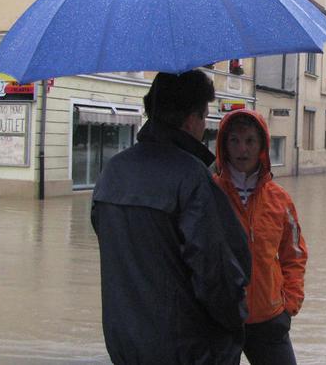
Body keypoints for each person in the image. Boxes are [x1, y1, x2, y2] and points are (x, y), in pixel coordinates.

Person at [91, 71, 251, 364]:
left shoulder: (112, 172)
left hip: (125, 345)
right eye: (204, 117)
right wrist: (236, 322)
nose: (204, 127)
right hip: (188, 351)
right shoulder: (192, 177)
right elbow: (217, 274)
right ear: (191, 119)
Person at [213, 110, 308, 365]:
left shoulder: (280, 200)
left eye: (250, 141)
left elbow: (295, 255)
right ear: (224, 144)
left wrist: (289, 305)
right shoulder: (208, 194)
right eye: (234, 140)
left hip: (270, 319)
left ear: (262, 146)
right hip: (220, 321)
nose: (242, 149)